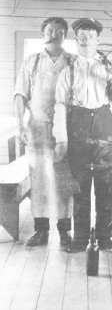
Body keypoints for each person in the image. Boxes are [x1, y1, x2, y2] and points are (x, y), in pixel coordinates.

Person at [53, 18, 112, 253]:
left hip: (104, 123)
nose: (86, 41)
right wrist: (62, 139)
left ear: (98, 40)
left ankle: (105, 238)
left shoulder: (107, 67)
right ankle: (80, 238)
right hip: (78, 125)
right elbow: (60, 106)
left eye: (91, 37)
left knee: (105, 184)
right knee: (80, 185)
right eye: (82, 37)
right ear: (76, 40)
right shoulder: (68, 71)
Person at [14, 17, 75, 249]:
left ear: (65, 36)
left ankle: (65, 232)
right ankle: (41, 230)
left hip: (64, 130)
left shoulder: (72, 61)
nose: (55, 34)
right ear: (43, 34)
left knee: (63, 179)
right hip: (37, 128)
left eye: (60, 31)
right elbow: (20, 94)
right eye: (50, 30)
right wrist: (20, 124)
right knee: (39, 180)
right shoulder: (32, 62)